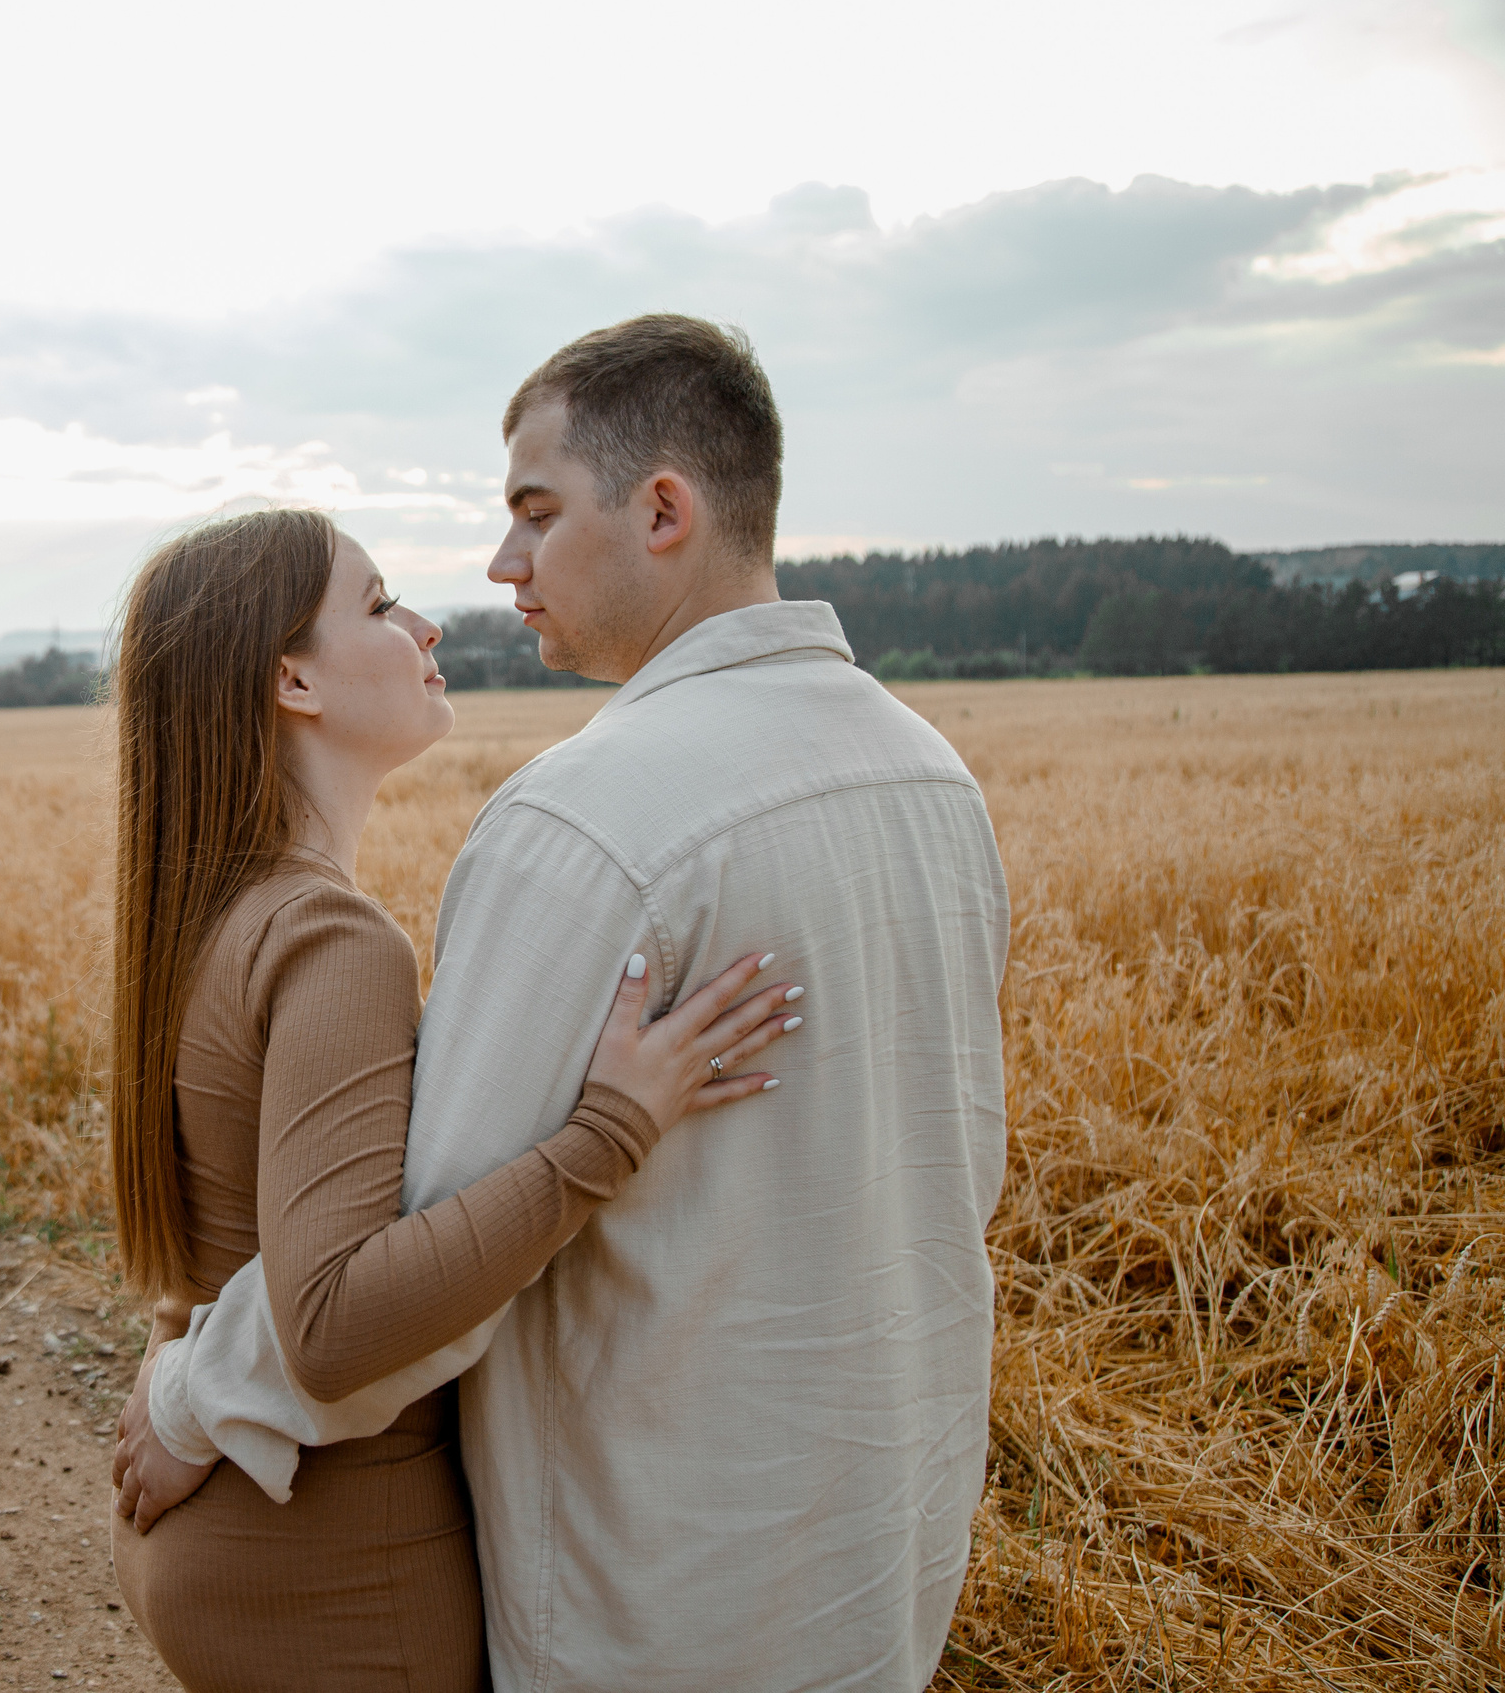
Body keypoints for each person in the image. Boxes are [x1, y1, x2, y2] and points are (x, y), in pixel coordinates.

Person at [116, 315, 1011, 1692]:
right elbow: (961, 1182)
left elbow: (383, 1303)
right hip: (877, 1562)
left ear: (662, 509)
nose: (497, 565)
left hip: (651, 1589)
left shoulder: (585, 819)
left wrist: (187, 1393)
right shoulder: (936, 781)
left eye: (535, 512)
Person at [102, 504, 803, 1692]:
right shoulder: (332, 939)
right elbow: (331, 1327)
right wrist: (610, 1131)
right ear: (292, 680)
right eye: (376, 604)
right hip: (335, 1569)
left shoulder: (213, 915)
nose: (424, 622)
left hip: (234, 1534)